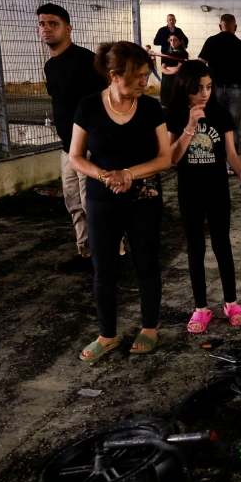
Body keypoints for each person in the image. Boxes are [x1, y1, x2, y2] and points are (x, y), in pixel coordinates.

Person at [68, 41, 172, 361]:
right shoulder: (88, 106)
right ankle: (107, 334)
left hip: (144, 197)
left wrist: (127, 173)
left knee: (146, 264)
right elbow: (75, 157)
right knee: (104, 270)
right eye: (138, 75)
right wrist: (104, 176)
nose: (145, 81)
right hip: (102, 199)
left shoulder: (152, 108)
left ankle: (149, 327)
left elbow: (165, 157)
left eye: (146, 74)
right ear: (114, 75)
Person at [166, 60, 241, 332]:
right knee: (195, 247)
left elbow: (231, 154)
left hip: (217, 188)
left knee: (222, 244)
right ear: (185, 88)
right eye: (198, 89)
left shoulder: (220, 114)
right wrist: (189, 126)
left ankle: (231, 302)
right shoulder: (174, 113)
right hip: (189, 189)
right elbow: (171, 157)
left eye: (208, 87)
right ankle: (200, 309)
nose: (204, 94)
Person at [38, 3, 109, 274]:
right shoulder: (50, 66)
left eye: (53, 23)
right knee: (74, 204)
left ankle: (114, 254)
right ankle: (87, 254)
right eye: (42, 24)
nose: (46, 28)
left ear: (68, 28)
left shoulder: (87, 61)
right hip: (68, 148)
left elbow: (107, 100)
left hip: (90, 148)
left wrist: (98, 141)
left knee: (94, 206)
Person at [197, 13, 241, 166]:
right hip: (235, 90)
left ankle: (215, 162)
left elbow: (200, 65)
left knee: (213, 127)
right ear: (236, 27)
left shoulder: (211, 42)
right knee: (232, 128)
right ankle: (231, 165)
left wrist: (199, 89)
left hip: (215, 91)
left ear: (220, 27)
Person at [159, 34, 186, 109]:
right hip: (166, 83)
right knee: (165, 105)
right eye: (171, 40)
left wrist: (167, 68)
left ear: (180, 42)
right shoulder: (166, 54)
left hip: (176, 83)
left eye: (175, 40)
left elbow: (178, 69)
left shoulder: (183, 54)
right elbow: (162, 69)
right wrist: (172, 70)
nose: (173, 42)